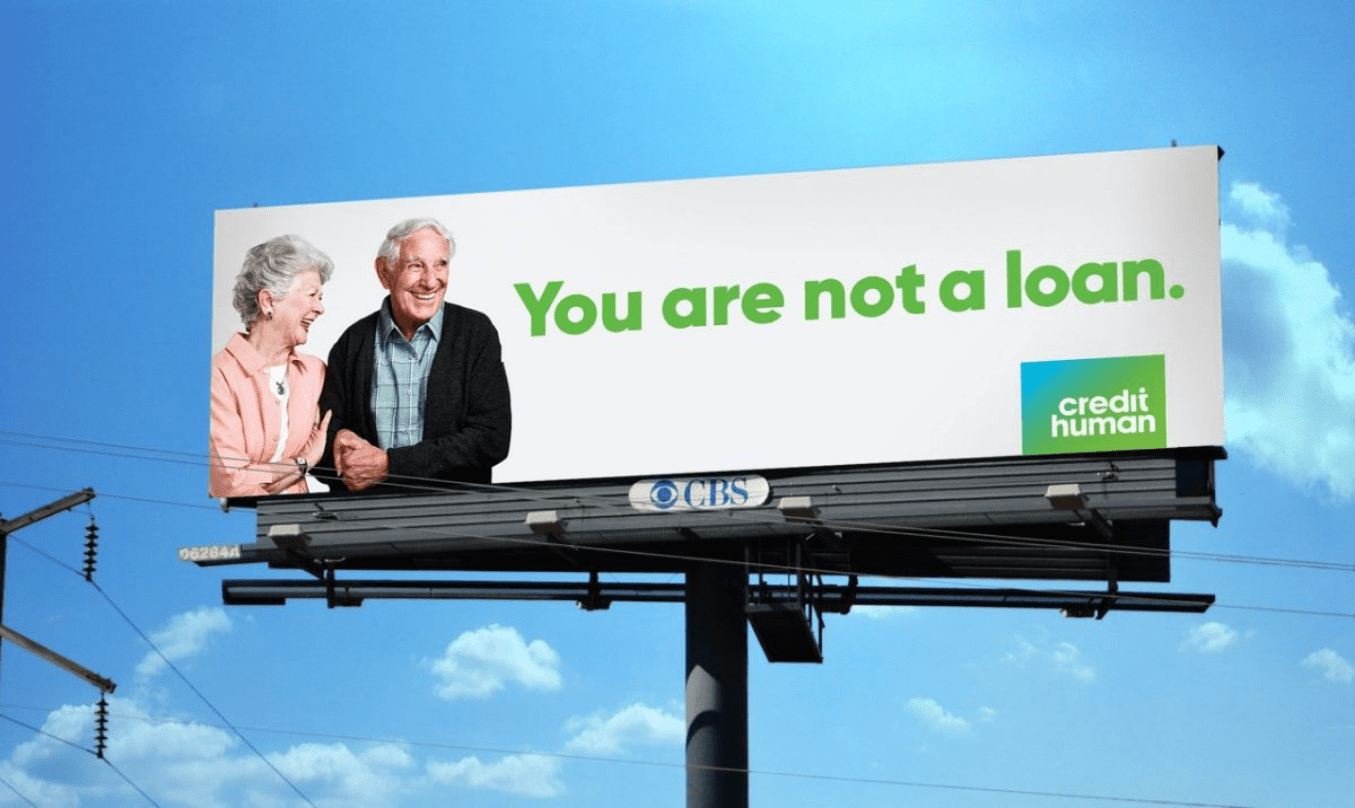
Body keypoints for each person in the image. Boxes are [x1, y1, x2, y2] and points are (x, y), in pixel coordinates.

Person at [317, 218, 511, 492]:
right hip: (369, 523)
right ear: (385, 272)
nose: (431, 281)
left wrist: (390, 465)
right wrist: (339, 445)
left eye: (440, 264)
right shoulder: (353, 342)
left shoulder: (476, 334)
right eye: (415, 266)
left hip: (455, 519)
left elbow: (492, 439)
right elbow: (320, 447)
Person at [209, 235, 334, 497]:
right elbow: (230, 484)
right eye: (311, 295)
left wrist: (261, 473)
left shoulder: (315, 372)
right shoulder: (218, 375)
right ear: (268, 301)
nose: (320, 308)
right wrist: (302, 463)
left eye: (320, 297)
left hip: (299, 527)